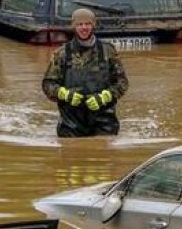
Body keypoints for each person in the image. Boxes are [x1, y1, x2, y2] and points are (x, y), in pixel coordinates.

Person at [41, 8, 129, 137]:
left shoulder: (108, 51)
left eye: (87, 24)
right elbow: (48, 85)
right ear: (74, 27)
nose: (84, 28)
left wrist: (106, 96)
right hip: (71, 123)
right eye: (79, 24)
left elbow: (122, 83)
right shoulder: (62, 53)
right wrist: (64, 94)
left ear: (93, 25)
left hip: (104, 121)